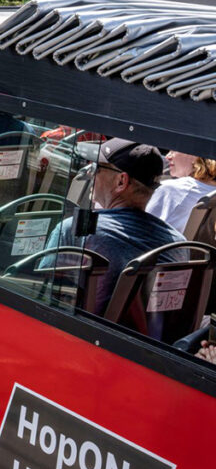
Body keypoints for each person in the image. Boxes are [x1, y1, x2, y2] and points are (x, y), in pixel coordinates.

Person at [44, 139, 185, 338]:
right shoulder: (179, 243)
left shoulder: (76, 231)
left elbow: (39, 296)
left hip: (82, 344)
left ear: (121, 181)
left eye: (97, 167)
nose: (90, 172)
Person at [146, 151, 216, 233]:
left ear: (196, 156)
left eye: (174, 150)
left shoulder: (172, 190)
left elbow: (138, 229)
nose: (167, 156)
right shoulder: (212, 192)